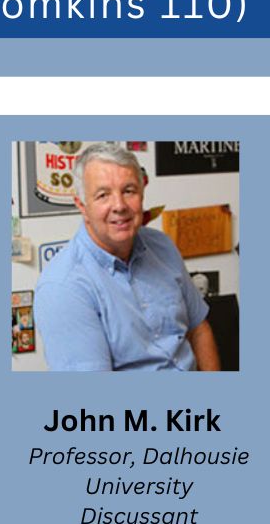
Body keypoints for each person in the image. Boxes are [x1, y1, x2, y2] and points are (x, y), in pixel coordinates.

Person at [35, 142, 221, 372]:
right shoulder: (63, 287)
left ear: (142, 194)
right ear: (82, 205)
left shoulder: (162, 245)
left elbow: (199, 329)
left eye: (129, 191)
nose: (119, 206)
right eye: (103, 195)